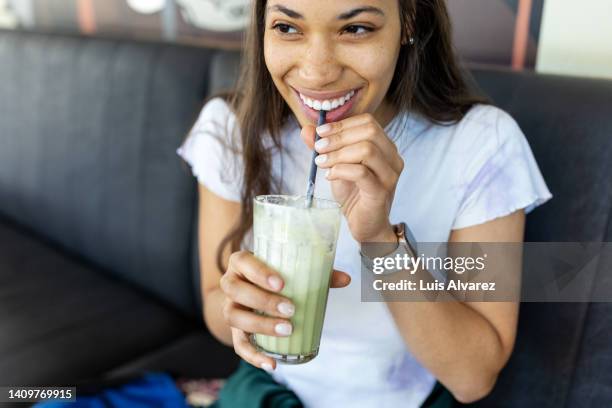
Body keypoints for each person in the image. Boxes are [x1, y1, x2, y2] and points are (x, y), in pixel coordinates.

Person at [177, 0, 552, 406]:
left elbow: (473, 377)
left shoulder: (482, 144)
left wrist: (379, 239)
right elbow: (217, 304)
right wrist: (239, 306)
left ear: (408, 22)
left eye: (355, 29)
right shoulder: (230, 129)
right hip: (269, 393)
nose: (317, 72)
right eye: (287, 28)